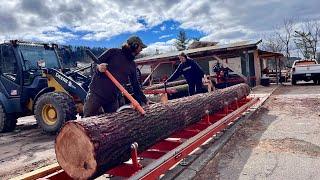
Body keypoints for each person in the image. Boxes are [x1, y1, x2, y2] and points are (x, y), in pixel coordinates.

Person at [83, 36, 148, 117]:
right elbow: (94, 64)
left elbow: (136, 86)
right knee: (87, 121)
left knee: (114, 124)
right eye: (140, 47)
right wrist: (98, 68)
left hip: (112, 98)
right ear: (134, 45)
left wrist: (144, 101)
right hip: (96, 94)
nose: (141, 50)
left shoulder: (132, 65)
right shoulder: (113, 52)